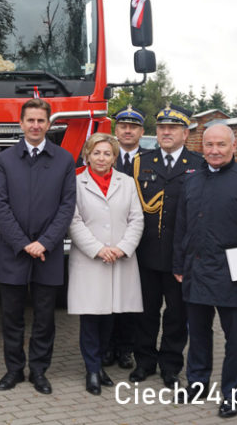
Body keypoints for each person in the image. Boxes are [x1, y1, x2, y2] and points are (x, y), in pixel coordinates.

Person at [174, 124, 237, 418]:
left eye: (221, 145)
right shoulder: (190, 181)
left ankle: (231, 394)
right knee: (199, 333)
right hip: (197, 271)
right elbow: (182, 226)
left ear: (233, 147)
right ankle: (197, 383)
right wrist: (179, 265)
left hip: (236, 274)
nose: (214, 151)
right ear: (201, 146)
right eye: (209, 145)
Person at [0, 98, 76, 395]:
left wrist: (44, 242)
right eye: (31, 120)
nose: (36, 125)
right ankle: (13, 370)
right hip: (14, 252)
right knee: (11, 317)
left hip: (47, 253)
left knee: (44, 318)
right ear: (21, 124)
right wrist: (24, 243)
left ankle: (39, 371)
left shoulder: (64, 160)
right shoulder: (5, 159)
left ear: (49, 124)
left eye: (41, 121)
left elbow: (67, 207)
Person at [130, 104, 204, 388]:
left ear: (185, 133)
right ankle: (144, 362)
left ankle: (171, 366)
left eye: (173, 128)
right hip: (147, 252)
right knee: (145, 312)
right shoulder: (142, 161)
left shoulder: (197, 164)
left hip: (181, 257)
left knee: (176, 315)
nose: (166, 132)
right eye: (162, 127)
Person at [67, 133, 144, 396]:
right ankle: (92, 369)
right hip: (90, 260)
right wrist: (99, 249)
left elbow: (137, 219)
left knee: (110, 315)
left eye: (107, 153)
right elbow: (73, 221)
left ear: (114, 156)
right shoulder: (76, 183)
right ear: (87, 155)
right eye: (96, 153)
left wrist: (121, 248)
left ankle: (100, 366)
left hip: (119, 260)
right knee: (90, 318)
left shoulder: (127, 183)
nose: (102, 158)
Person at [104, 105, 147, 369]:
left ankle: (126, 348)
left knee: (132, 299)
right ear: (115, 129)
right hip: (109, 240)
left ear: (142, 131)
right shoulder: (104, 156)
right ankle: (107, 347)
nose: (127, 130)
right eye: (123, 126)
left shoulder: (152, 159)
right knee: (109, 297)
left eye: (133, 126)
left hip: (143, 239)